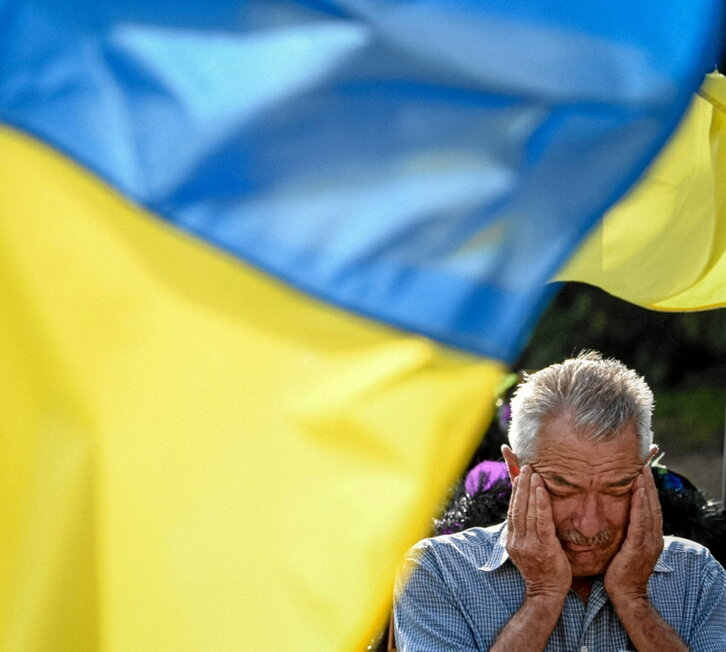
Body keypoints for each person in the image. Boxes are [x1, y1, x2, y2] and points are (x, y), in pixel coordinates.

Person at [393, 351, 726, 650]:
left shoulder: (697, 573)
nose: (590, 523)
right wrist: (542, 598)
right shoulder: (438, 571)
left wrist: (634, 600)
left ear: (645, 471)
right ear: (515, 471)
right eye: (562, 489)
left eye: (617, 488)